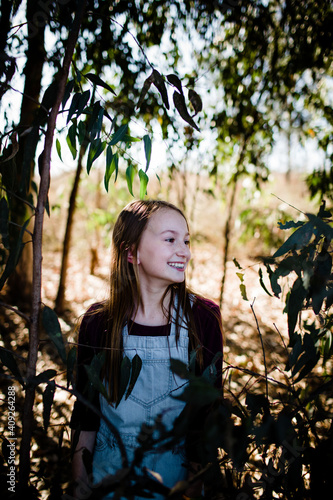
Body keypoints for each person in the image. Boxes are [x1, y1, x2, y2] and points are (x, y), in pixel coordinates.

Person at [70, 199, 223, 500]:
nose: (185, 251)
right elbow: (86, 411)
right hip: (109, 479)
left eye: (187, 241)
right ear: (131, 251)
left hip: (175, 482)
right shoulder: (99, 321)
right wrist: (78, 478)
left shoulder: (202, 318)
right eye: (170, 239)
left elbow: (206, 413)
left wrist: (196, 480)